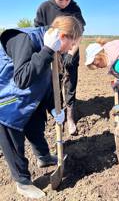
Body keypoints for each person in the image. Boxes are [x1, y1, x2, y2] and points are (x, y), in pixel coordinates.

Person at [0, 15, 82, 199]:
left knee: (36, 125)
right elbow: (22, 79)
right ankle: (22, 181)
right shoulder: (25, 40)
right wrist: (46, 51)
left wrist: (54, 107)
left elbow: (46, 81)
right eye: (71, 44)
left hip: (28, 97)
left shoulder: (53, 50)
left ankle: (43, 157)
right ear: (63, 36)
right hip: (7, 99)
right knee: (12, 139)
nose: (71, 49)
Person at [34, 0, 86, 135]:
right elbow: (40, 32)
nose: (64, 3)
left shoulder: (75, 8)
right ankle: (59, 113)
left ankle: (70, 117)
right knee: (54, 84)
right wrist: (51, 54)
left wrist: (71, 52)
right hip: (53, 54)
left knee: (70, 83)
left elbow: (79, 33)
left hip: (70, 51)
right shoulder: (44, 8)